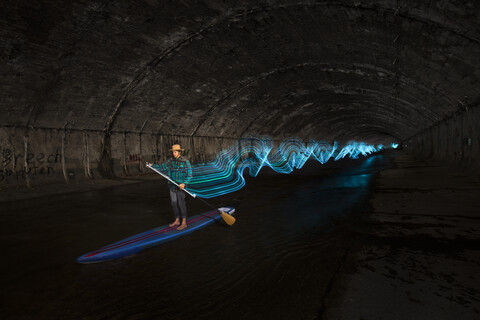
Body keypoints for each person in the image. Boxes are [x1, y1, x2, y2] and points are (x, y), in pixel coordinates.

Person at [148, 144, 193, 230]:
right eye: (173, 152)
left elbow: (190, 174)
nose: (174, 153)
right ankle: (177, 220)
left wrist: (184, 183)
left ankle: (184, 222)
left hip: (180, 186)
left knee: (181, 203)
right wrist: (152, 165)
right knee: (174, 204)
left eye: (175, 152)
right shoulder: (170, 161)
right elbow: (162, 167)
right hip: (172, 186)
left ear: (179, 152)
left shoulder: (185, 161)